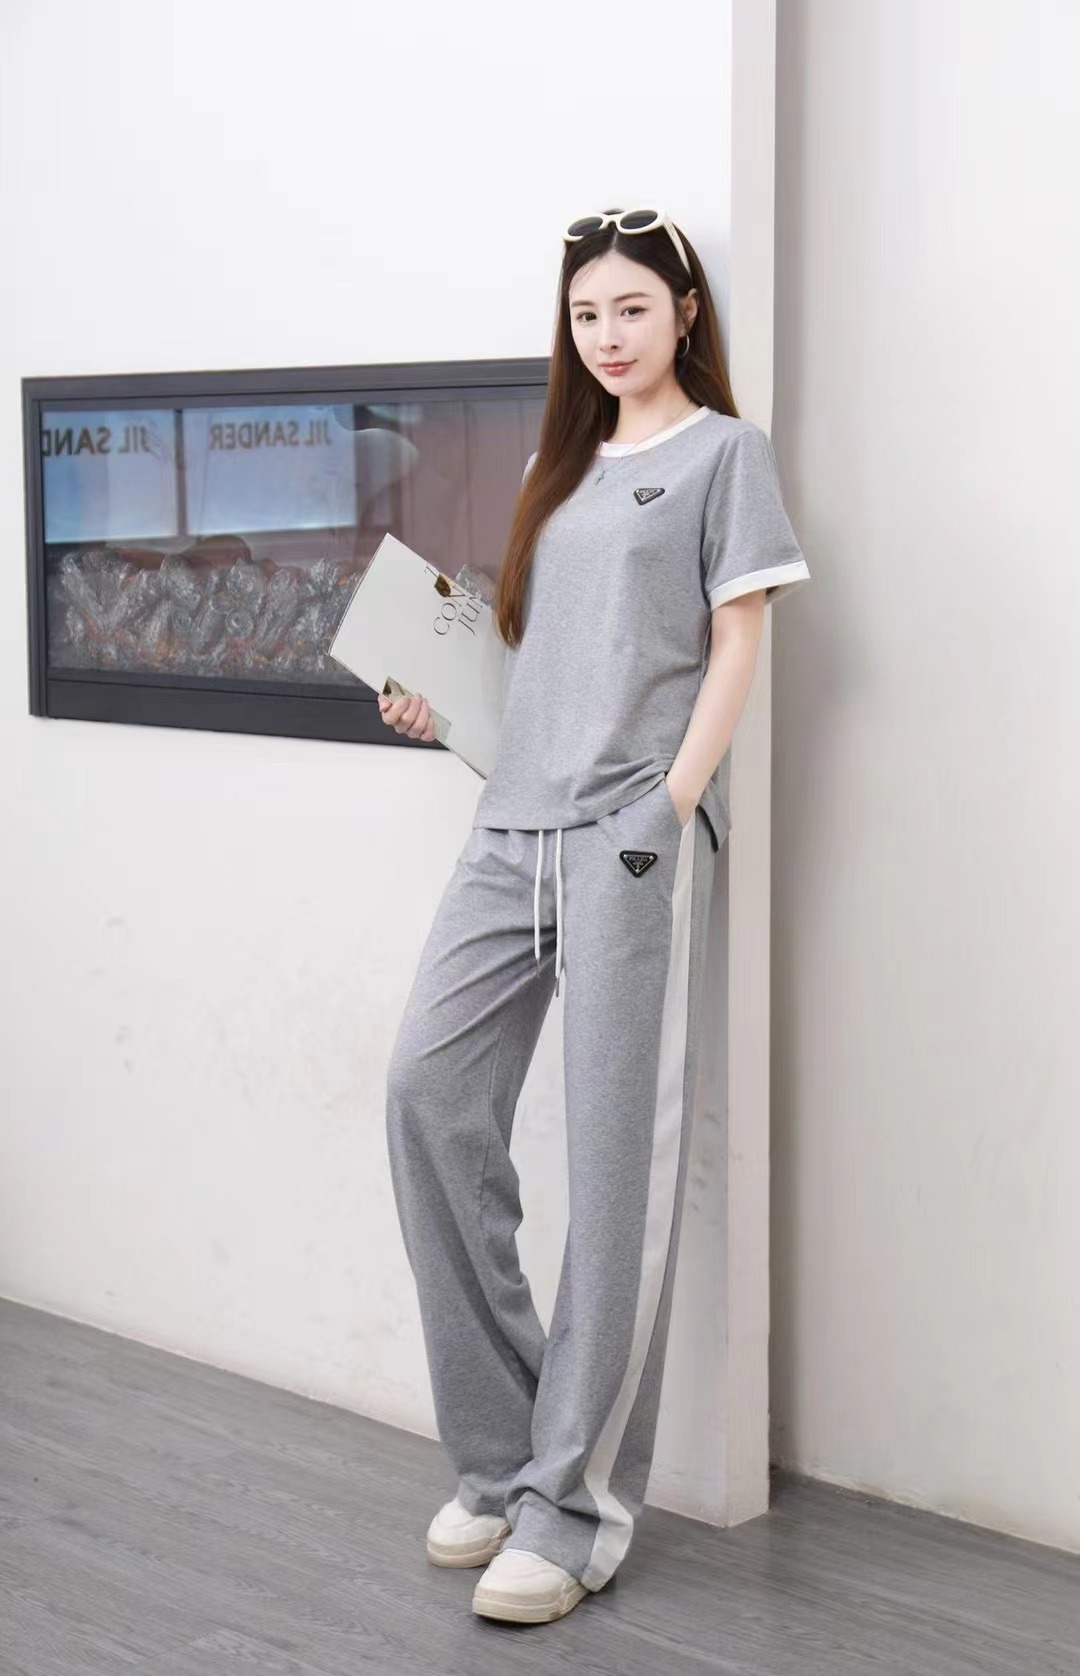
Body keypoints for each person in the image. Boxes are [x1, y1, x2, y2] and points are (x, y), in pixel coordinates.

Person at [379, 208, 811, 1626]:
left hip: (626, 836)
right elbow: (531, 658)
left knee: (616, 1167)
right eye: (585, 316)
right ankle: (505, 1462)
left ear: (684, 310)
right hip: (509, 830)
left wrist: (667, 809)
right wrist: (439, 704)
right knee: (428, 1097)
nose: (608, 336)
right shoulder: (553, 469)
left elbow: (739, 640)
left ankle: (572, 1511)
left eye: (631, 308)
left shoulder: (724, 458)